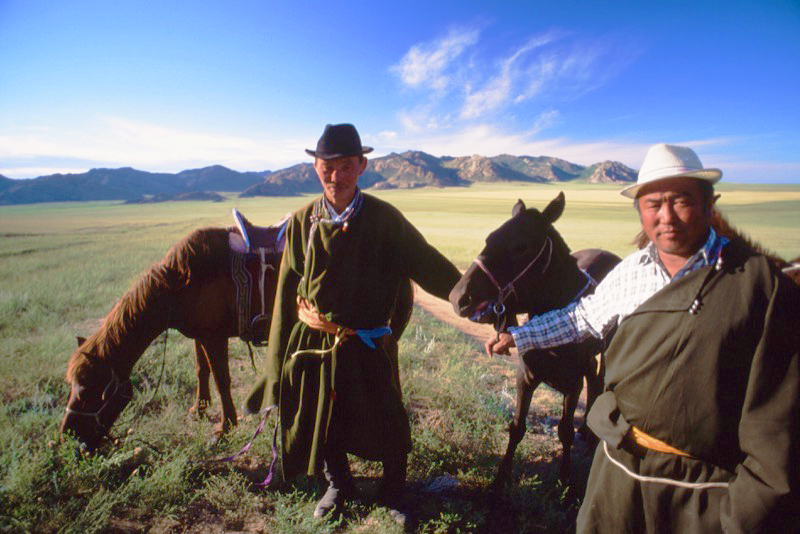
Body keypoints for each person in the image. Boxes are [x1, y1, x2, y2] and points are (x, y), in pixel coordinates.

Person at [486, 143, 799, 532]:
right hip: (619, 473)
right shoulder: (631, 271)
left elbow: (776, 429)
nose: (666, 216)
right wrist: (521, 336)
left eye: (681, 200)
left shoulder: (759, 286)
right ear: (640, 211)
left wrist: (743, 516)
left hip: (704, 494)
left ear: (710, 205)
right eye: (653, 204)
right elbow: (584, 316)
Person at [245, 123, 461, 524]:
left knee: (387, 415)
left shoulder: (385, 219)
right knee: (326, 417)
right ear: (315, 167)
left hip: (369, 340)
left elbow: (429, 265)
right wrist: (276, 367)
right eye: (327, 167)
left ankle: (393, 489)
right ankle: (339, 484)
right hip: (317, 342)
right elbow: (286, 295)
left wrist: (474, 299)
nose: (335, 176)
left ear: (362, 166)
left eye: (345, 166)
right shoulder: (302, 222)